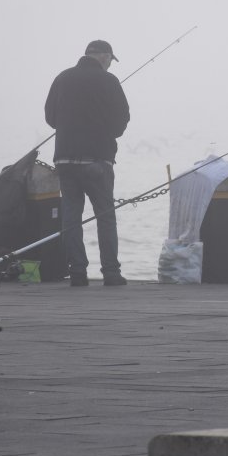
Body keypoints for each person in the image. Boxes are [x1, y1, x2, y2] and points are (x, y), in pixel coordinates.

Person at [45, 40, 131, 287]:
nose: (109, 64)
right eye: (110, 59)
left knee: (71, 217)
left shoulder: (62, 78)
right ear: (104, 56)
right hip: (98, 159)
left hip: (65, 159)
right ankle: (111, 273)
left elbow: (50, 117)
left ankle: (77, 272)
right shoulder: (109, 81)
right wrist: (106, 131)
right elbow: (122, 119)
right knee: (105, 216)